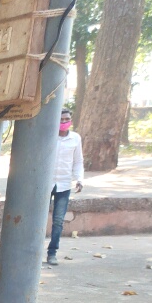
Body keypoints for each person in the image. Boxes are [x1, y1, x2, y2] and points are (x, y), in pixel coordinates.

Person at [47, 107, 84, 266]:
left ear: (70, 120)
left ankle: (52, 253)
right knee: (39, 219)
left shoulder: (75, 138)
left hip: (63, 184)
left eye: (66, 119)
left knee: (58, 221)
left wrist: (79, 179)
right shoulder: (48, 137)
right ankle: (32, 251)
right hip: (46, 184)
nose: (63, 122)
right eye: (60, 120)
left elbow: (78, 161)